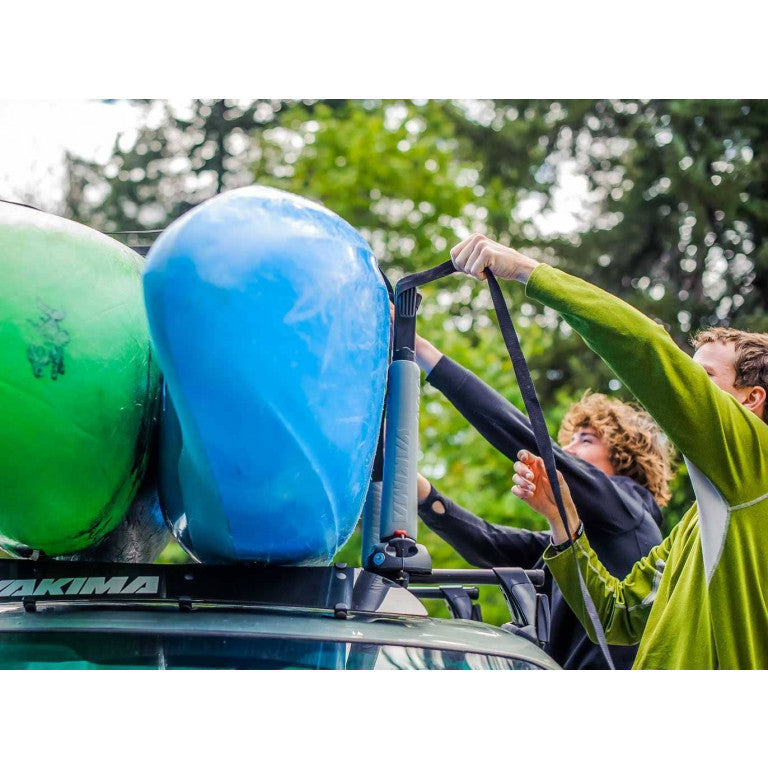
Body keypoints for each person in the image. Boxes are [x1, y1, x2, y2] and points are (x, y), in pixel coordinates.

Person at [451, 233, 768, 670]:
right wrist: (563, 519)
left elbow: (646, 347)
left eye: (703, 377)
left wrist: (527, 270)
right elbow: (618, 616)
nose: (686, 385)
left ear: (751, 400)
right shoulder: (699, 523)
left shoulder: (757, 466)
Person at [413, 331, 672, 669]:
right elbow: (488, 542)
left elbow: (526, 439)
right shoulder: (572, 539)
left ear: (625, 455)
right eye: (570, 441)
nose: (568, 450)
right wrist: (416, 488)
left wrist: (423, 351)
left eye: (585, 440)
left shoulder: (628, 507)